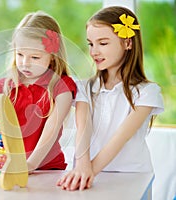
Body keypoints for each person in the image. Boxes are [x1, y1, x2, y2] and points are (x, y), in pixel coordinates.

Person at [57, 6, 164, 190]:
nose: (94, 51)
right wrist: (82, 166)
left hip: (133, 177)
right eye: (91, 43)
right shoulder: (84, 88)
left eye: (103, 43)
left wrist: (89, 170)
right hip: (91, 174)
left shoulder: (147, 92)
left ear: (127, 43)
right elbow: (83, 128)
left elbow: (120, 138)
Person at [0, 11, 77, 171]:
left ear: (53, 56)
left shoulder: (61, 86)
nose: (25, 63)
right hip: (9, 169)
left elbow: (52, 128)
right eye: (20, 54)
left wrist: (30, 165)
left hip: (46, 170)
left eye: (35, 57)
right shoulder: (4, 86)